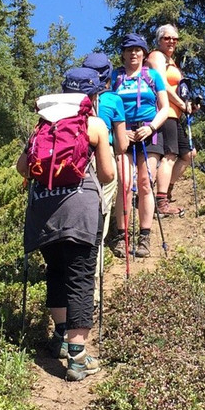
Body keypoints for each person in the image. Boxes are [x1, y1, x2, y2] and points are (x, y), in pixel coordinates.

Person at [16, 67, 115, 382]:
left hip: (44, 211)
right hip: (80, 209)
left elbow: (22, 168)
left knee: (56, 271)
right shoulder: (93, 124)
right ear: (93, 94)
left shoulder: (43, 125)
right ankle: (78, 358)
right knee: (80, 277)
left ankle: (60, 338)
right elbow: (108, 174)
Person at [111, 33, 170, 258]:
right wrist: (119, 129)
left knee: (146, 182)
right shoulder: (115, 76)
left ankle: (145, 236)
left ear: (144, 53)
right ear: (123, 54)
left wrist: (152, 127)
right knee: (124, 182)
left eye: (138, 49)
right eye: (129, 49)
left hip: (149, 132)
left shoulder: (153, 76)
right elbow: (107, 104)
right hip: (122, 132)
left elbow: (164, 107)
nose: (134, 53)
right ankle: (121, 235)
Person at [81, 52, 130, 257]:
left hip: (74, 157)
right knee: (101, 207)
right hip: (103, 155)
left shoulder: (73, 98)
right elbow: (122, 145)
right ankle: (95, 258)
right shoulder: (112, 100)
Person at [145, 24, 197, 215]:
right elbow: (162, 85)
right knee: (169, 155)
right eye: (167, 38)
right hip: (163, 112)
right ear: (159, 40)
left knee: (189, 154)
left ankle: (166, 191)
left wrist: (188, 105)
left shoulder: (171, 61)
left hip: (174, 114)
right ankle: (161, 202)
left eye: (175, 38)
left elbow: (177, 90)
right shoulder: (157, 56)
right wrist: (182, 105)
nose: (172, 41)